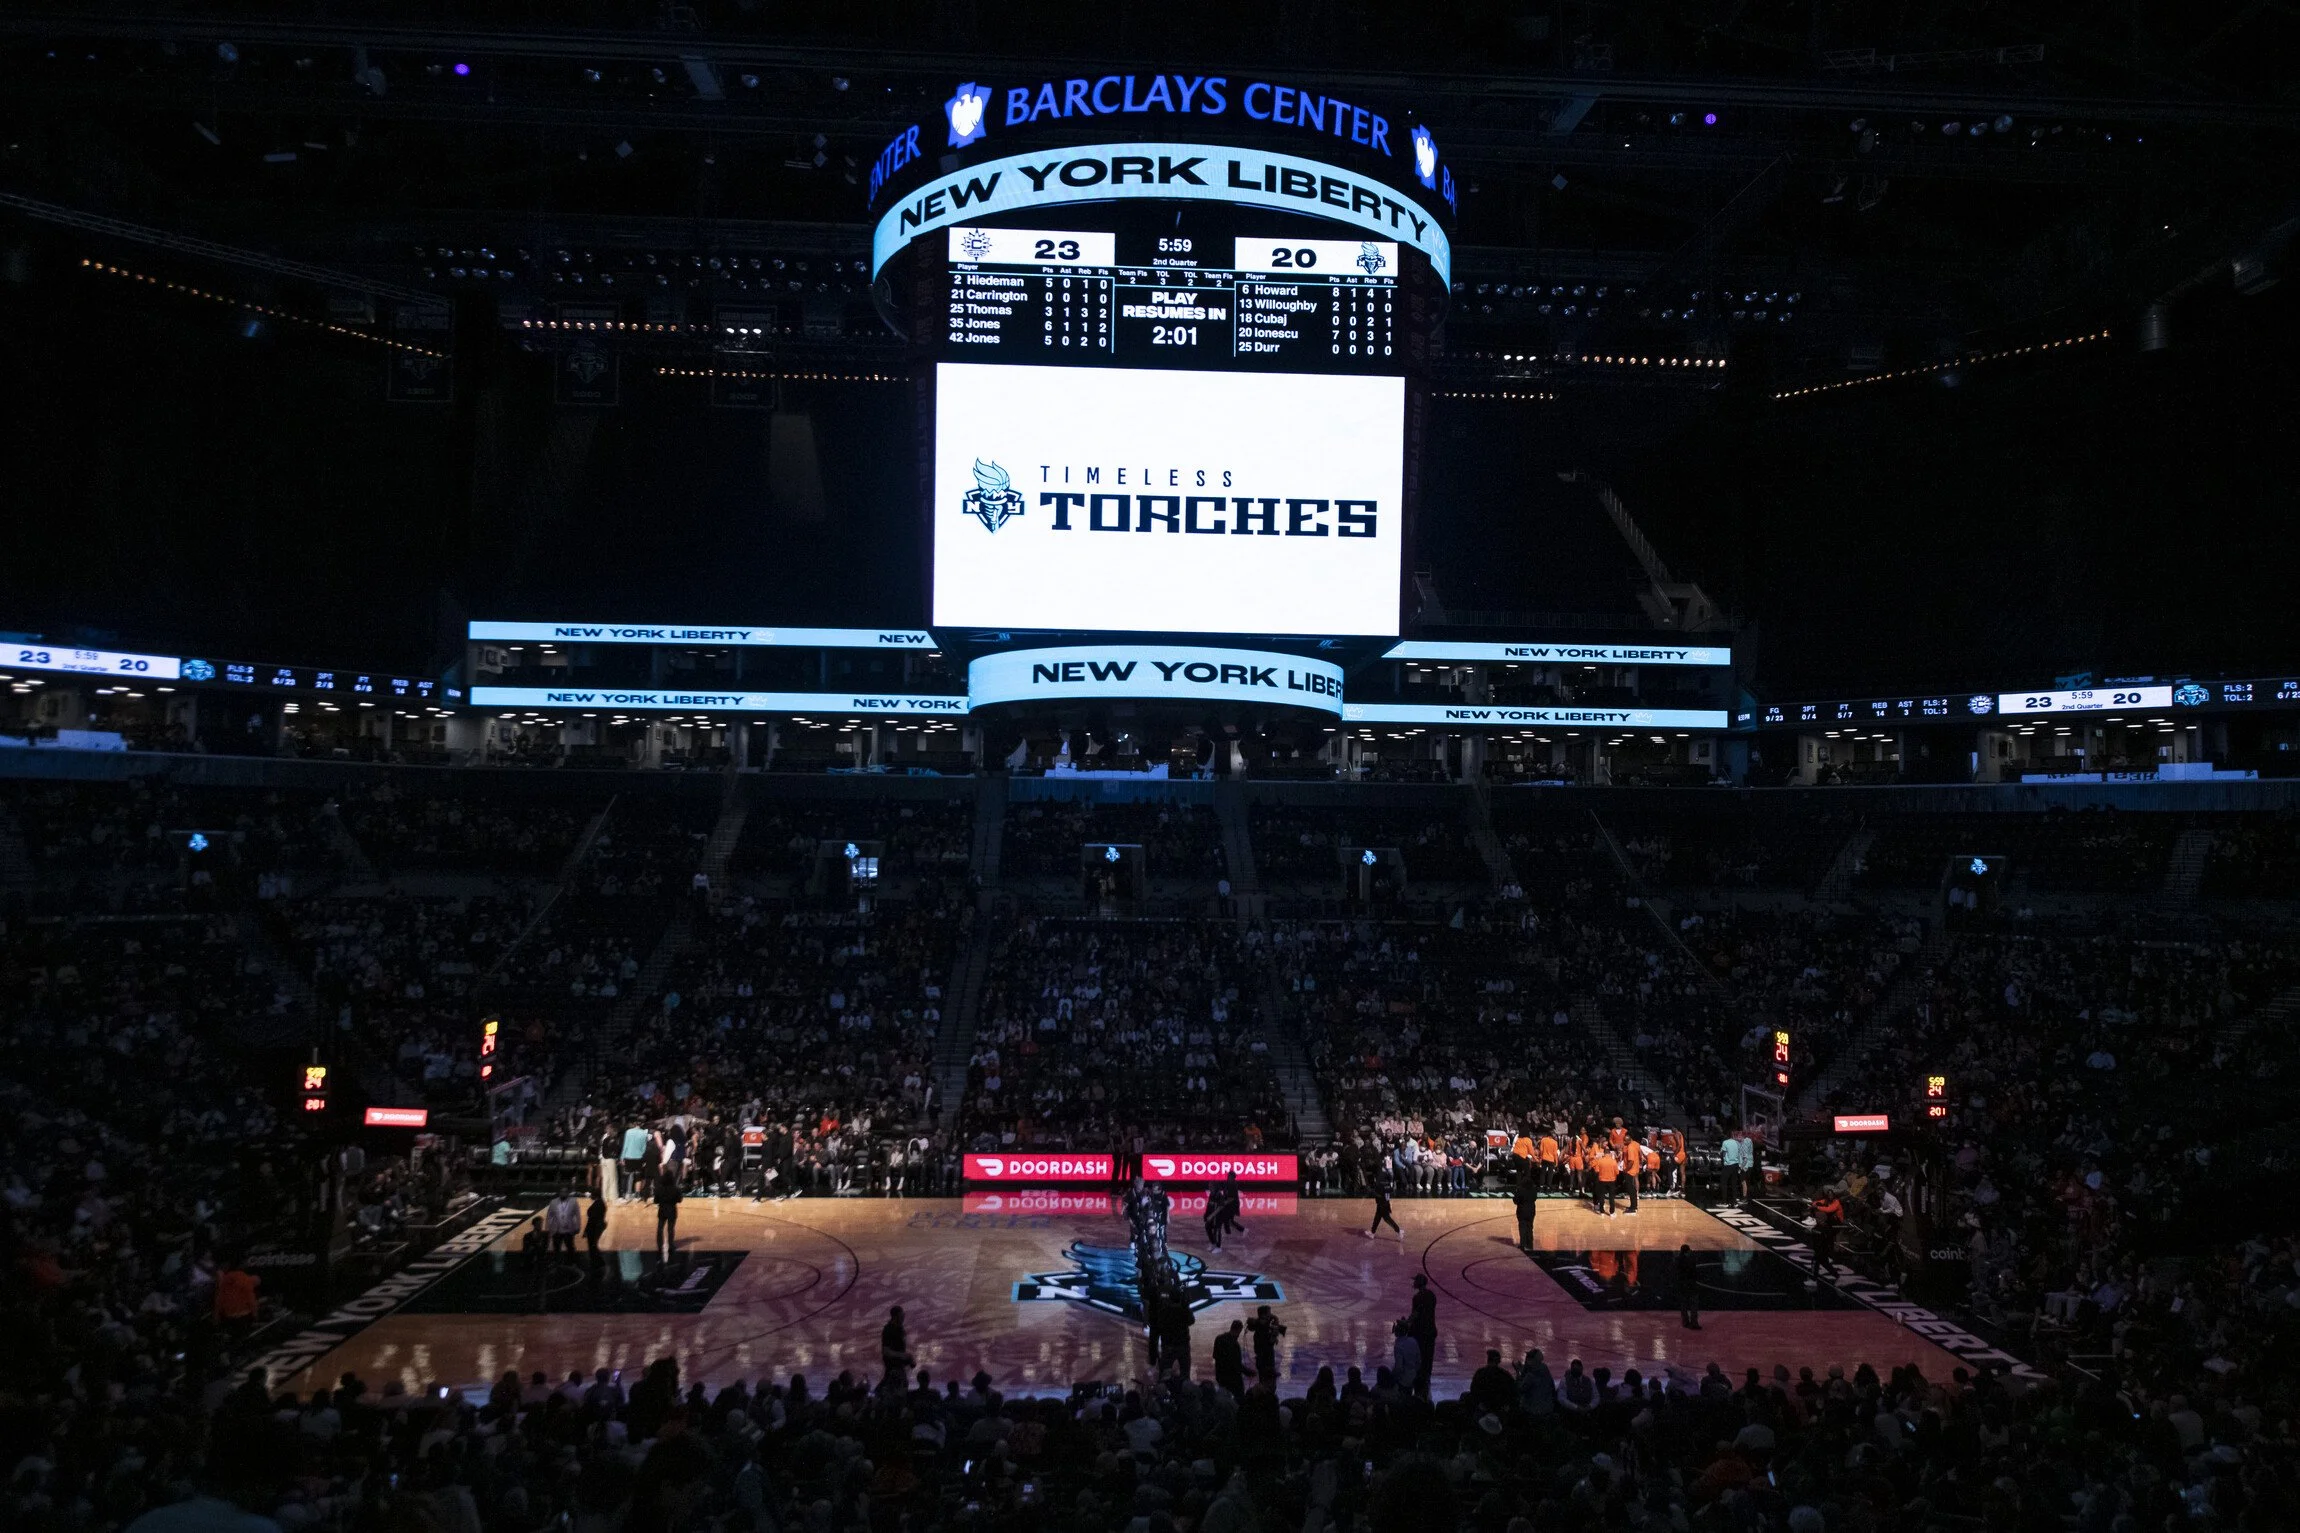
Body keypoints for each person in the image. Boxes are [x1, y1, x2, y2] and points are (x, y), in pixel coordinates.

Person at [1407, 1273, 1437, 1399]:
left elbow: (1415, 1315)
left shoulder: (1417, 1297)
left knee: (1420, 1358)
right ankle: (1426, 1382)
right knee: (1428, 1358)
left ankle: (1420, 1384)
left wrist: (1406, 1323)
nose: (1413, 1283)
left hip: (1420, 1332)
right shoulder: (1431, 1295)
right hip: (1430, 1331)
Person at [1809, 1188, 1844, 1289]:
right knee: (1821, 1260)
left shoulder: (1836, 1203)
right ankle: (1835, 1277)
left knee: (1818, 1259)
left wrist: (1818, 1208)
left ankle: (1814, 1279)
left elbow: (1829, 1210)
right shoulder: (1824, 1202)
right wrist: (1815, 1205)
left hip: (1835, 1225)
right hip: (1824, 1236)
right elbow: (1816, 1203)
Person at [1247, 1304, 1285, 1389]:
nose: (1270, 1315)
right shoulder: (1262, 1330)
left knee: (1264, 1381)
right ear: (1264, 1316)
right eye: (1269, 1313)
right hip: (1266, 1361)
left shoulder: (1261, 1328)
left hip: (1263, 1360)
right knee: (1267, 1384)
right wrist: (1276, 1321)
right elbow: (1271, 1341)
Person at [1365, 1162, 1403, 1240]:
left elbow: (1379, 1192)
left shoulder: (1380, 1177)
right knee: (1377, 1217)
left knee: (1386, 1218)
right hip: (1384, 1200)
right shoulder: (1385, 1175)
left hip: (1383, 1201)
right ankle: (1372, 1232)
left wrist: (1371, 1191)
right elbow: (1389, 1189)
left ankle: (1398, 1231)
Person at [1213, 1319, 1248, 1399]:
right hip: (1233, 1378)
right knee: (1240, 1398)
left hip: (1220, 1376)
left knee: (1223, 1397)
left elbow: (1215, 1356)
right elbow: (1236, 1365)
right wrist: (1247, 1372)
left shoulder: (1218, 1338)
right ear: (1239, 1330)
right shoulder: (1235, 1345)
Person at [880, 1306, 911, 1392]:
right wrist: (903, 1355)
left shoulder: (900, 1329)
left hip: (899, 1366)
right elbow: (885, 1351)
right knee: (895, 1388)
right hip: (893, 1367)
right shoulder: (889, 1329)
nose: (904, 1317)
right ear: (896, 1315)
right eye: (902, 1315)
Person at [654, 1167, 683, 1258]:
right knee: (671, 1229)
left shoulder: (659, 1188)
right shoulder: (676, 1189)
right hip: (672, 1211)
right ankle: (671, 1245)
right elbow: (679, 1200)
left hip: (662, 1210)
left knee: (660, 1229)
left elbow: (655, 1201)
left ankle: (660, 1246)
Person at [543, 1189, 581, 1254]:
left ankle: (571, 1262)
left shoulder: (573, 1201)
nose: (563, 1193)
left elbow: (577, 1215)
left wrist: (577, 1227)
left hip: (569, 1229)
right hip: (556, 1230)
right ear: (559, 1193)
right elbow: (549, 1216)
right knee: (556, 1248)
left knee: (570, 1247)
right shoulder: (553, 1202)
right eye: (561, 1192)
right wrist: (547, 1228)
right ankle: (557, 1262)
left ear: (568, 1193)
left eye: (565, 1192)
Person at [1513, 1162, 1540, 1252]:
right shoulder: (1533, 1189)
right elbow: (1535, 1198)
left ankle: (1522, 1244)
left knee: (1522, 1227)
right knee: (1530, 1227)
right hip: (1531, 1210)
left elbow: (1515, 1200)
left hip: (1522, 1211)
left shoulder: (1520, 1189)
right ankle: (1530, 1244)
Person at [1675, 1243, 1702, 1329]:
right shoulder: (1691, 1260)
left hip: (1682, 1286)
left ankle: (1685, 1322)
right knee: (1693, 1306)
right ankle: (1694, 1323)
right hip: (1691, 1286)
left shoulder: (1677, 1260)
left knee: (1684, 1306)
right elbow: (1694, 1273)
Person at [583, 1187, 609, 1260]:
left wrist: (586, 1230)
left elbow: (592, 1219)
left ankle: (596, 1261)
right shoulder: (600, 1202)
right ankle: (597, 1260)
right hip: (598, 1225)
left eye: (591, 1195)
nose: (590, 1196)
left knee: (592, 1245)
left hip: (595, 1227)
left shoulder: (598, 1204)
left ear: (595, 1195)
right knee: (593, 1245)